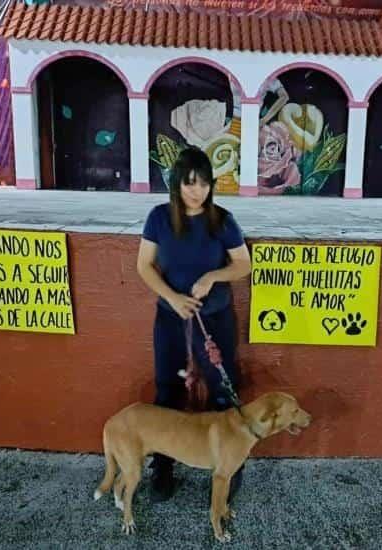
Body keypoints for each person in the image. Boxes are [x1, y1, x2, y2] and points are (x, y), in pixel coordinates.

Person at [136, 146, 252, 503]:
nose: (197, 191)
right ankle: (164, 467)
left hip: (213, 319)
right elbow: (144, 266)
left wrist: (214, 276)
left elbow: (243, 264)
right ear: (176, 185)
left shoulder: (222, 219)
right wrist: (172, 297)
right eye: (189, 184)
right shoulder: (158, 218)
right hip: (171, 319)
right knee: (167, 391)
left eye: (203, 184)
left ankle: (228, 466)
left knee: (222, 390)